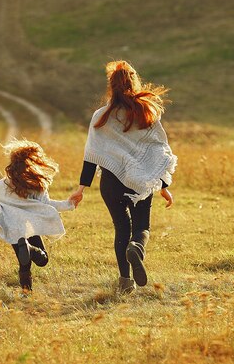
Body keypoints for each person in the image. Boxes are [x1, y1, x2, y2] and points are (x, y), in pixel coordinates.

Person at [69, 60, 177, 294]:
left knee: (121, 228)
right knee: (141, 226)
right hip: (140, 181)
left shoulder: (101, 116)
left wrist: (81, 188)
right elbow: (160, 149)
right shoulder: (146, 111)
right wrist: (163, 184)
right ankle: (137, 247)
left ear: (111, 86)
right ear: (134, 82)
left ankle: (125, 283)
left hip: (111, 182)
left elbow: (91, 155)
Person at [0, 139, 75, 292]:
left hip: (12, 227)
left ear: (13, 164)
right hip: (30, 227)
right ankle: (30, 248)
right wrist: (69, 204)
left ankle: (26, 291)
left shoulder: (5, 184)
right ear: (33, 163)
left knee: (24, 262)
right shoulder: (37, 185)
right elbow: (48, 204)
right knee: (42, 260)